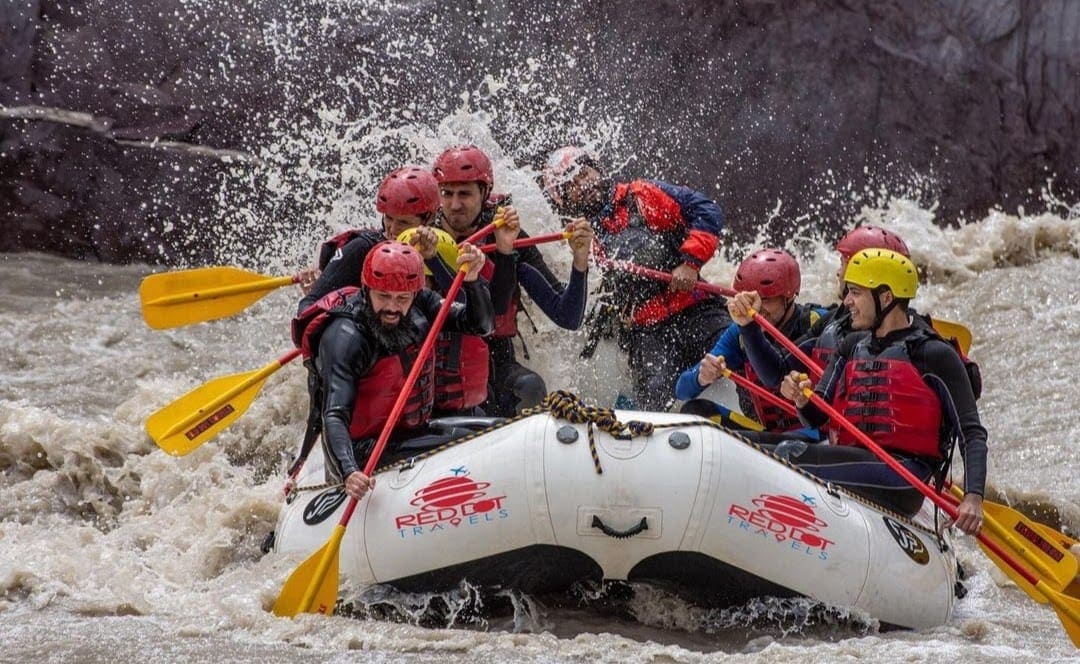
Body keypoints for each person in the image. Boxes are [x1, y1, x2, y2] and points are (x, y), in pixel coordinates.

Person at [775, 249, 986, 532]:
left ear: (886, 298)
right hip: (856, 460)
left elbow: (971, 432)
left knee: (787, 453)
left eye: (856, 293)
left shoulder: (932, 353)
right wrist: (801, 399)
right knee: (764, 445)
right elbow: (815, 417)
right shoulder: (852, 345)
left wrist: (973, 498)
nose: (846, 301)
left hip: (901, 477)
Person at [542, 146, 729, 411]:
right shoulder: (581, 239)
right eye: (571, 185)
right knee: (654, 396)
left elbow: (707, 211)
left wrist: (690, 263)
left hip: (695, 308)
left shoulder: (642, 196)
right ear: (565, 200)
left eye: (584, 173)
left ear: (598, 169)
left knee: (738, 349)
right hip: (650, 330)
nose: (583, 185)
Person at [303, 240, 494, 500]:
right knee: (476, 438)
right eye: (383, 296)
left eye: (402, 298)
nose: (392, 307)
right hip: (365, 452)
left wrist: (472, 282)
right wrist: (349, 472)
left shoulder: (421, 303)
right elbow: (334, 415)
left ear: (414, 294)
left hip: (411, 431)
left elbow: (479, 326)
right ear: (366, 288)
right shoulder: (345, 337)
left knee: (494, 429)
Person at [432, 144, 593, 416]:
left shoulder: (509, 236)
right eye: (447, 194)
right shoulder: (424, 237)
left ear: (484, 194)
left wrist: (580, 262)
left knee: (530, 387)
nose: (454, 204)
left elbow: (568, 316)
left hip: (496, 359)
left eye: (464, 194)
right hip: (438, 363)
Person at [675, 248, 826, 442]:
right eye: (749, 299)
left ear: (789, 296)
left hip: (814, 435)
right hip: (764, 436)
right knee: (694, 411)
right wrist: (702, 377)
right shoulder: (738, 334)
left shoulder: (817, 322)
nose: (756, 308)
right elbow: (682, 391)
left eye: (766, 299)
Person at [296, 165, 441, 314]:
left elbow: (462, 307)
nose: (392, 229)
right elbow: (307, 306)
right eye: (389, 218)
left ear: (429, 219)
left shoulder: (441, 246)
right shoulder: (362, 248)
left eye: (404, 222)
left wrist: (433, 261)